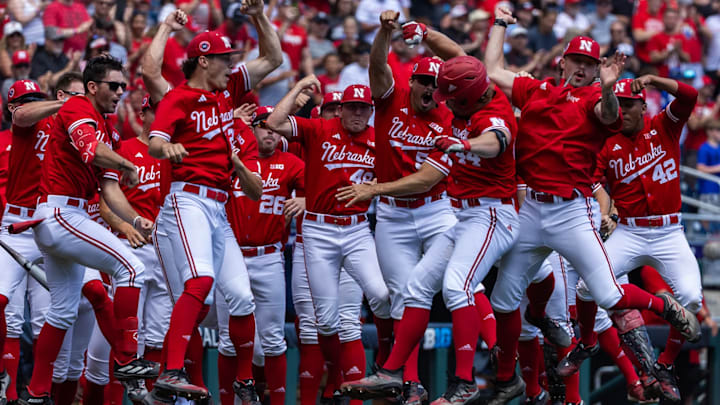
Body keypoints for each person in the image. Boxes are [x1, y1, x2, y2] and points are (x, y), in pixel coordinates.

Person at [483, 8, 700, 404]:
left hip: (570, 210)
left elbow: (610, 114)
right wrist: (498, 23)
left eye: (588, 63)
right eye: (576, 61)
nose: (581, 69)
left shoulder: (591, 100)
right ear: (561, 60)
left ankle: (660, 306)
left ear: (595, 67)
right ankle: (505, 378)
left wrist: (606, 87)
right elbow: (492, 68)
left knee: (607, 295)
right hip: (531, 206)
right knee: (502, 299)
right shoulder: (536, 90)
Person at [339, 17, 518, 404]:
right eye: (431, 86)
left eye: (445, 92)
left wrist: (465, 146)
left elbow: (494, 141)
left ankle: (478, 375)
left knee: (459, 287)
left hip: (482, 212)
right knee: (416, 289)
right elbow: (457, 58)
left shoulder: (485, 115)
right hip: (448, 213)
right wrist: (420, 33)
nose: (439, 97)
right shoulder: (458, 103)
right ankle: (394, 374)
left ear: (465, 95)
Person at [147, 0, 282, 400]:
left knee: (241, 297)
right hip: (186, 200)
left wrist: (257, 17)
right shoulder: (179, 98)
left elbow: (273, 57)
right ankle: (170, 372)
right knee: (200, 281)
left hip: (218, 205)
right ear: (204, 61)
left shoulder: (229, 89)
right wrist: (166, 150)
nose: (230, 65)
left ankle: (243, 380)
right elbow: (156, 141)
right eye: (223, 59)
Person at [20, 55, 159, 405]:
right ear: (94, 87)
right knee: (131, 268)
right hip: (60, 212)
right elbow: (92, 151)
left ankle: (36, 393)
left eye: (124, 86)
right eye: (114, 86)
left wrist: (134, 220)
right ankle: (128, 360)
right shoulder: (77, 107)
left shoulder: (110, 129)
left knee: (63, 310)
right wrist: (126, 161)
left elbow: (110, 191)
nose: (120, 92)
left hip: (68, 216)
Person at [335, 11, 458, 404]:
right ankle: (410, 383)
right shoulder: (391, 99)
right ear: (414, 81)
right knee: (403, 296)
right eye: (423, 80)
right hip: (392, 214)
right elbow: (376, 66)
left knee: (460, 285)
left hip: (436, 209)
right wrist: (384, 34)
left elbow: (427, 178)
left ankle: (475, 375)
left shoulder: (452, 116)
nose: (429, 88)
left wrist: (376, 187)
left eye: (436, 84)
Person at [577, 76, 703, 403]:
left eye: (629, 104)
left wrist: (654, 79)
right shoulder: (608, 141)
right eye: (618, 104)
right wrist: (606, 207)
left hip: (668, 231)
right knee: (587, 288)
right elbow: (592, 179)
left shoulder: (665, 126)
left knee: (690, 297)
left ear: (643, 106)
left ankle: (664, 366)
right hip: (629, 231)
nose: (623, 110)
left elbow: (690, 95)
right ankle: (588, 341)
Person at [266, 79, 392, 402]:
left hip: (356, 227)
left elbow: (401, 177)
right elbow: (274, 122)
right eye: (351, 107)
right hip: (319, 231)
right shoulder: (319, 130)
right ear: (339, 110)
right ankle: (337, 380)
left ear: (371, 111)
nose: (357, 114)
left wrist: (376, 188)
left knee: (380, 294)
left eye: (364, 108)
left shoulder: (379, 140)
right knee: (325, 321)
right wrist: (297, 89)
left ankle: (387, 368)